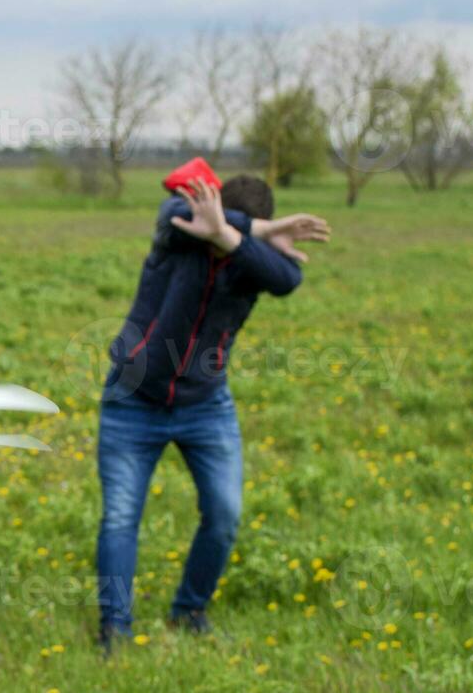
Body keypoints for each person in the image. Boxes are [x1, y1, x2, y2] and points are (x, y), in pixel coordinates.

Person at [96, 159, 330, 647]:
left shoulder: (252, 264)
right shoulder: (178, 232)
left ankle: (190, 610)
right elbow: (168, 212)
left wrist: (234, 237)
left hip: (206, 406)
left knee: (224, 516)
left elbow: (290, 280)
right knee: (120, 518)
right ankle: (114, 630)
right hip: (132, 401)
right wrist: (245, 228)